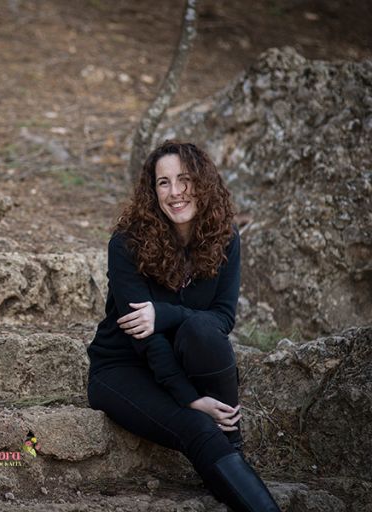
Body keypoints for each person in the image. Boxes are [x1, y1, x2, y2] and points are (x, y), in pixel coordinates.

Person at [86, 141, 280, 511]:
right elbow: (144, 337)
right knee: (198, 428)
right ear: (152, 190)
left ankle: (232, 444)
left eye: (184, 179)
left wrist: (166, 313)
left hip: (186, 357)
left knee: (203, 331)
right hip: (122, 367)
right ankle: (229, 456)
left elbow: (223, 317)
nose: (174, 193)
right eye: (163, 182)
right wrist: (190, 398)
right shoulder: (127, 244)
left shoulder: (225, 239)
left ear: (202, 183)